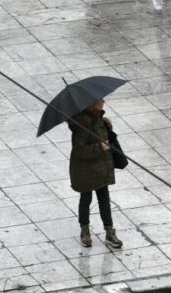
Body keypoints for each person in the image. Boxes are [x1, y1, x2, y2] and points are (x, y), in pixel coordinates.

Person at [69, 98, 122, 249]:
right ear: (92, 104)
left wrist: (108, 127)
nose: (103, 101)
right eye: (100, 100)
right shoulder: (82, 125)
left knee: (104, 198)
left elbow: (105, 139)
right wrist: (100, 147)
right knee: (86, 199)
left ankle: (109, 232)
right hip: (85, 170)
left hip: (101, 167)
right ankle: (85, 231)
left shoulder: (99, 119)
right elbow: (80, 150)